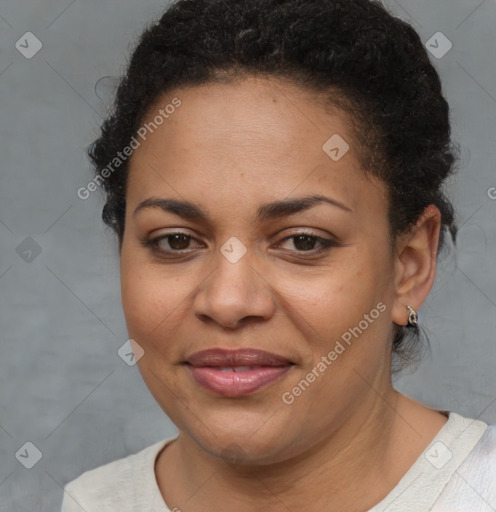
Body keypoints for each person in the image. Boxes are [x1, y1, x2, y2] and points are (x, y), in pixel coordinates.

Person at [60, 0, 496, 510]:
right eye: (176, 240)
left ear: (409, 265)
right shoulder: (94, 502)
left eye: (302, 241)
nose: (227, 301)